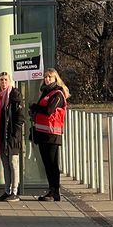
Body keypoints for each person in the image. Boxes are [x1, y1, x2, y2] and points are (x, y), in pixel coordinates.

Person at [29, 68, 69, 202]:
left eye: (50, 77)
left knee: (52, 164)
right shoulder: (46, 92)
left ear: (55, 79)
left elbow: (49, 110)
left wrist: (34, 107)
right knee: (47, 163)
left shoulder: (57, 93)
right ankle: (51, 189)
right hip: (42, 133)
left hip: (52, 133)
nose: (47, 79)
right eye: (45, 77)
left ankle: (55, 191)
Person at [0, 72, 25, 202]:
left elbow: (19, 117)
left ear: (10, 81)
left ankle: (14, 191)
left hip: (12, 136)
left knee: (13, 163)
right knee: (5, 164)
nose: (3, 82)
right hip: (1, 136)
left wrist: (15, 134)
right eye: (1, 79)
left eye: (6, 79)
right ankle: (7, 191)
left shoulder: (14, 95)